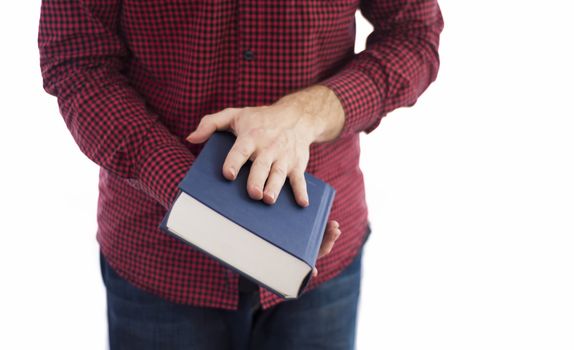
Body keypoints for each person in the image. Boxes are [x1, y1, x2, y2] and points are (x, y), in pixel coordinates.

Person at [38, 0, 443, 348]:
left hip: (320, 258)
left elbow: (413, 33)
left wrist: (305, 114)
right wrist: (201, 197)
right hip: (159, 262)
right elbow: (78, 63)